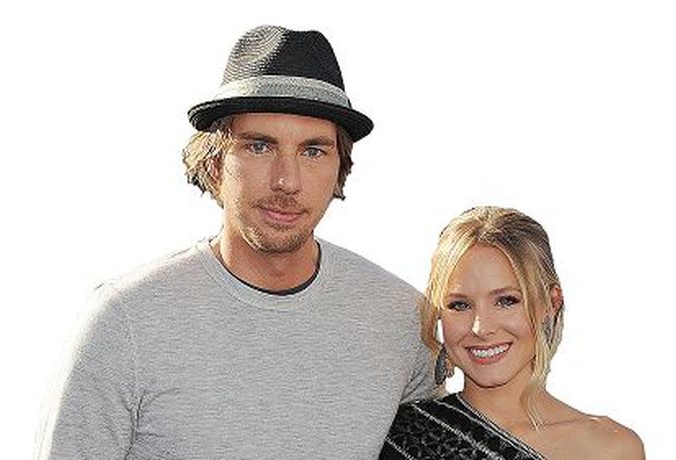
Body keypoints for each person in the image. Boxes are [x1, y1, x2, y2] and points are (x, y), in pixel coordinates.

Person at [37, 25, 439, 459]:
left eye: (313, 151)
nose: (287, 181)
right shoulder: (126, 322)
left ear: (340, 168)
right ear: (214, 163)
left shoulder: (403, 322)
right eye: (259, 147)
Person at [380, 206, 644, 459]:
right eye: (459, 305)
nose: (481, 328)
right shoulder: (398, 437)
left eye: (506, 301)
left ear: (551, 303)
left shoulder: (613, 449)